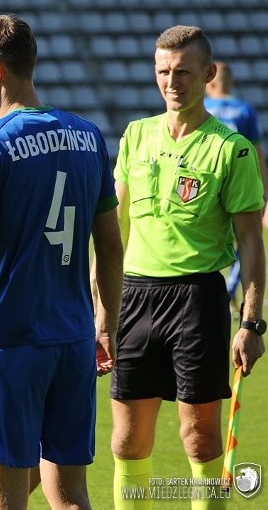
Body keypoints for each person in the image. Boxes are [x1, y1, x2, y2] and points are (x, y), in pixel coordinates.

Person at [0, 14, 124, 510]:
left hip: (9, 343)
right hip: (73, 340)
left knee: (3, 497)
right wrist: (105, 325)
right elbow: (112, 246)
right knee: (71, 494)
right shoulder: (88, 135)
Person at [109, 26, 266, 510]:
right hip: (133, 297)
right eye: (162, 71)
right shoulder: (136, 135)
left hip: (197, 299)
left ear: (208, 74)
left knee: (198, 438)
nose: (171, 81)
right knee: (126, 442)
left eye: (182, 71)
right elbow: (113, 230)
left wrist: (252, 322)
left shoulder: (230, 149)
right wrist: (100, 306)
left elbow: (250, 241)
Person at [204, 62, 268, 313]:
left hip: (207, 186)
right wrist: (264, 190)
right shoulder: (245, 111)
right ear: (230, 83)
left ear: (210, 83)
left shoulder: (202, 108)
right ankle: (230, 288)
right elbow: (257, 153)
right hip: (240, 186)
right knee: (247, 238)